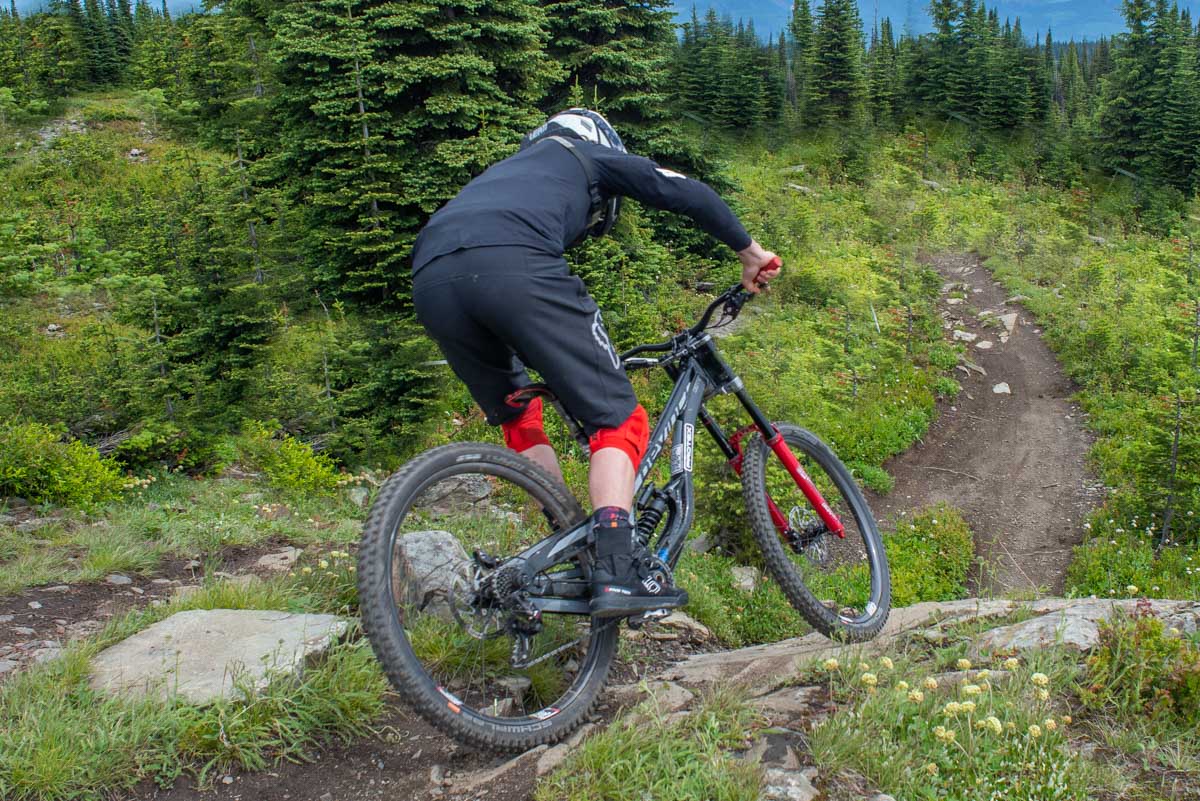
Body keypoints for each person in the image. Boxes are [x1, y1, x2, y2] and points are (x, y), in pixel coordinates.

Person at [411, 109, 780, 618]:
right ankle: (617, 570)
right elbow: (689, 192)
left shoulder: (511, 171)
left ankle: (569, 541)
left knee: (520, 416)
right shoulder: (586, 153)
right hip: (514, 261)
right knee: (619, 419)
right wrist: (751, 253)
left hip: (430, 278)